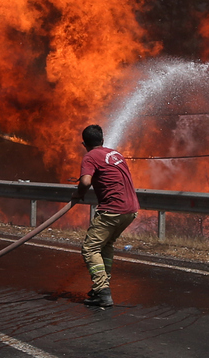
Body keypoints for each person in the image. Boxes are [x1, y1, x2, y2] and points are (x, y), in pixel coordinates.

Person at [70, 124, 139, 308]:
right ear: (102, 140)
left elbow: (85, 181)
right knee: (106, 245)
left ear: (84, 143)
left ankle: (102, 291)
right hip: (130, 210)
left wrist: (79, 193)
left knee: (90, 249)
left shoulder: (90, 156)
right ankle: (102, 286)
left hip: (112, 210)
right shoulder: (116, 154)